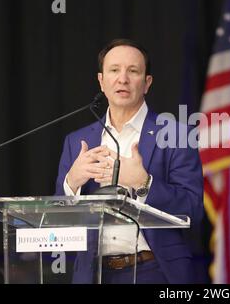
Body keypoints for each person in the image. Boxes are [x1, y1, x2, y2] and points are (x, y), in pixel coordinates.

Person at [55, 38, 204, 284]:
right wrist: (72, 183)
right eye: (114, 70)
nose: (122, 79)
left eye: (133, 71)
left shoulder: (177, 136)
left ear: (147, 83)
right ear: (102, 81)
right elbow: (59, 220)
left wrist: (143, 183)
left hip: (154, 270)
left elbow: (193, 210)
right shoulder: (77, 141)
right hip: (93, 274)